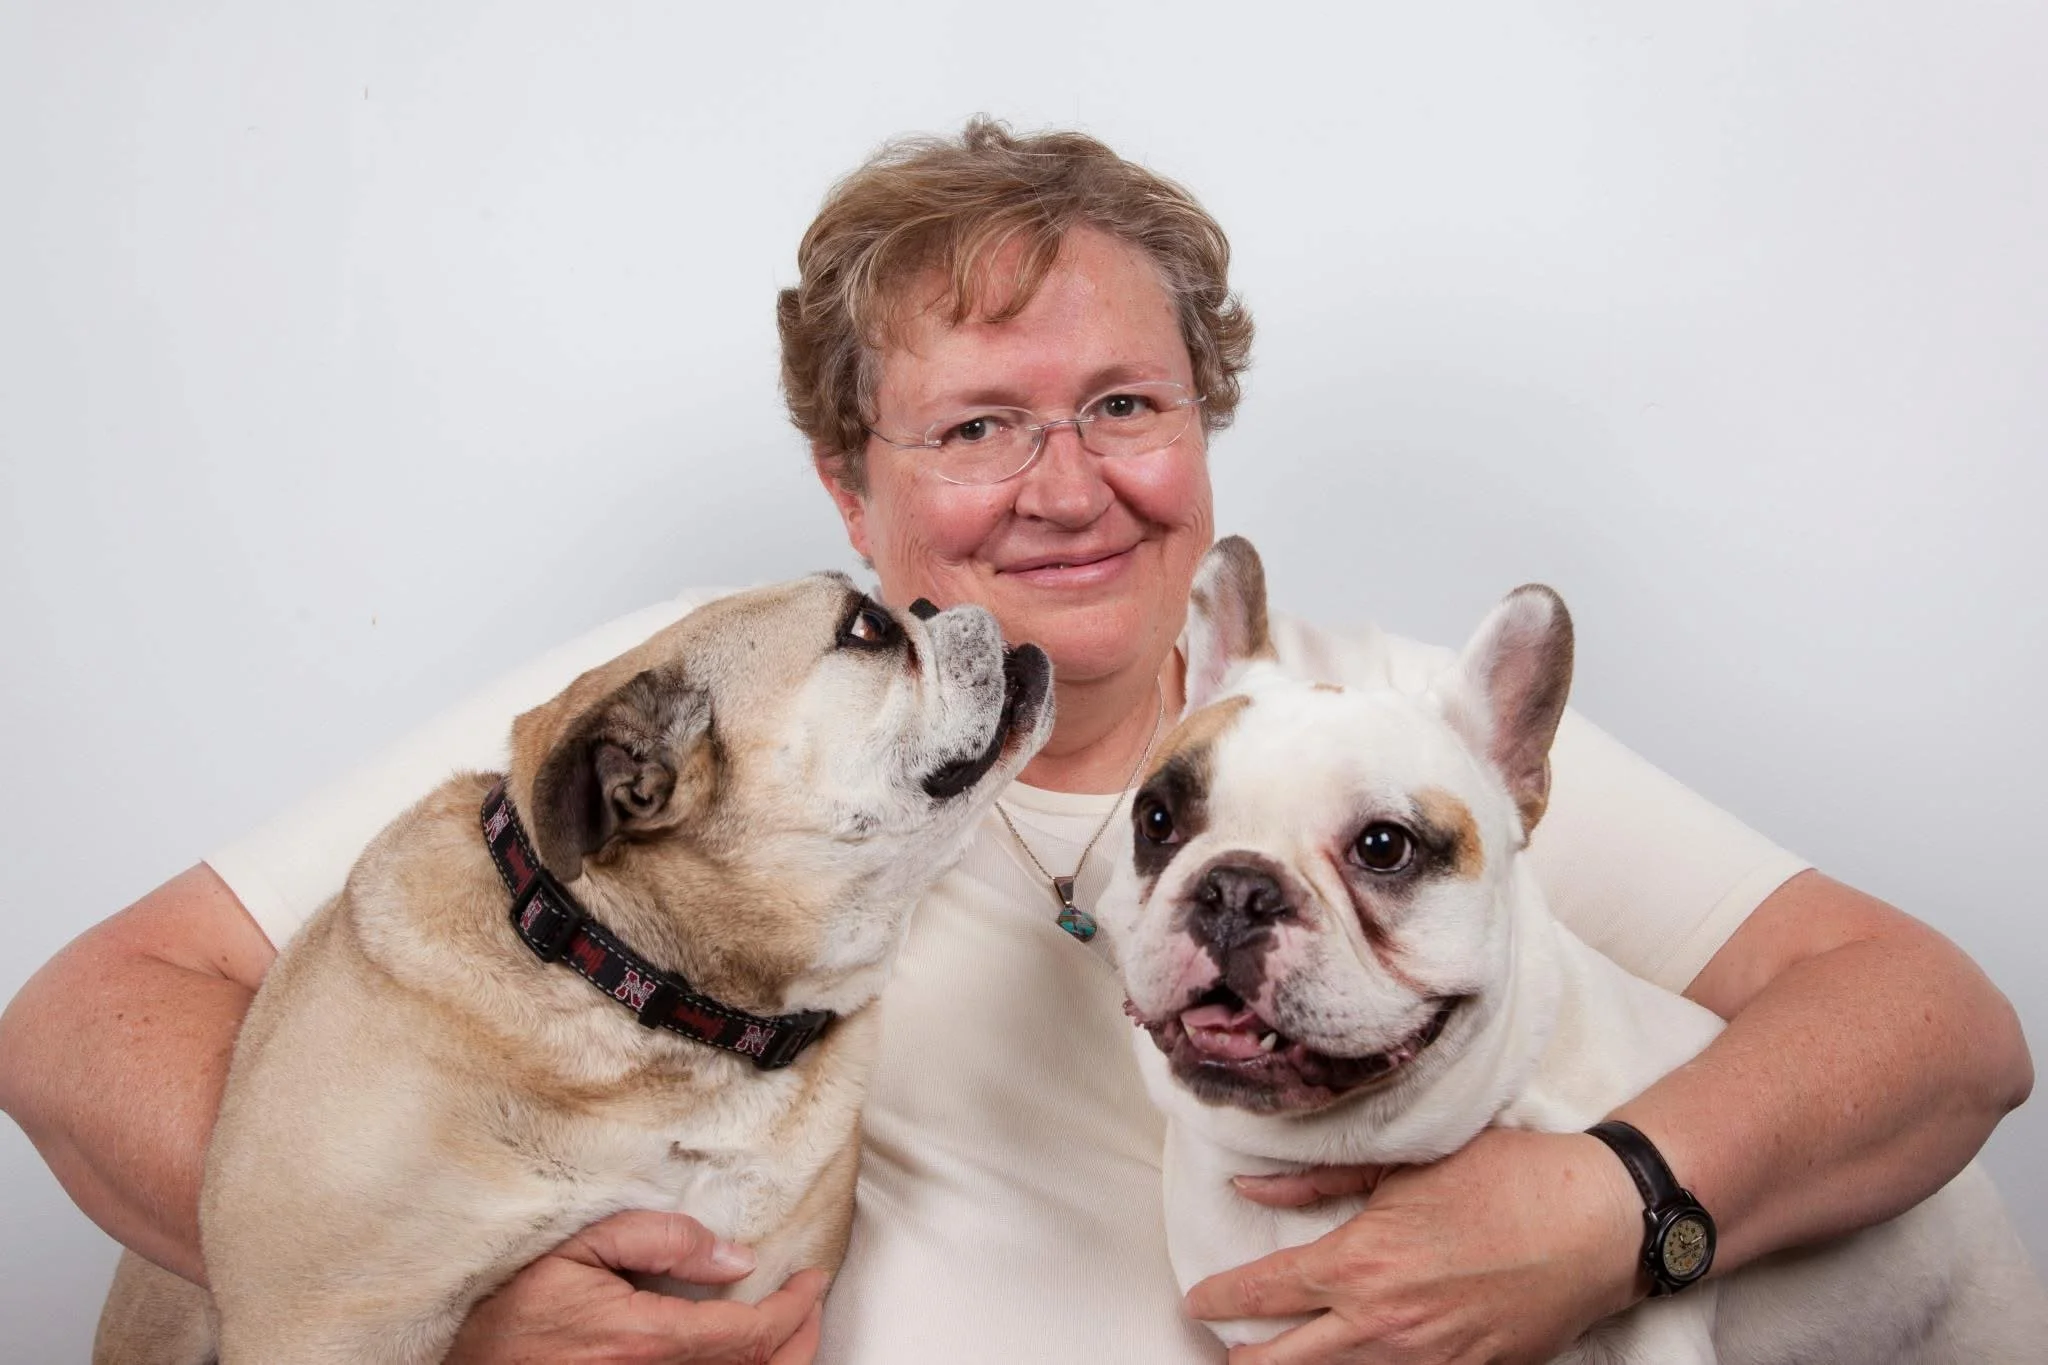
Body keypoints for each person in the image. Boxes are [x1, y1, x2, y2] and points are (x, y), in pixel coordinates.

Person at [0, 118, 2032, 1365]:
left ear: (1205, 429)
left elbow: (1936, 1024)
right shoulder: (703, 719)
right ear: (846, 487)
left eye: (1125, 406)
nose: (1064, 487)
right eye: (974, 428)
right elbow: (92, 1011)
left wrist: (1613, 1211)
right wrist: (425, 1313)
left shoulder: (1385, 739)